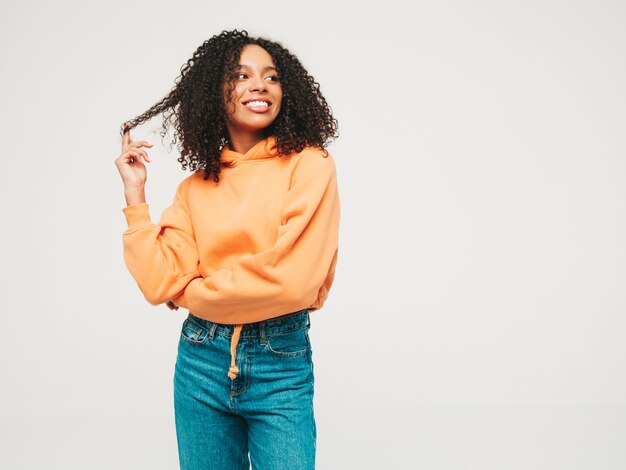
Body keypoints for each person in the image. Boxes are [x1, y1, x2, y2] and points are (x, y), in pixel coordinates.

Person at [114, 29, 340, 469]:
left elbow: (291, 281)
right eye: (242, 75)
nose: (260, 85)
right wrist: (136, 196)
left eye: (271, 77)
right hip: (201, 360)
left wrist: (196, 293)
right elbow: (160, 281)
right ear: (215, 93)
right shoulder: (196, 187)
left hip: (280, 360)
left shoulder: (310, 165)